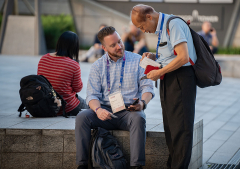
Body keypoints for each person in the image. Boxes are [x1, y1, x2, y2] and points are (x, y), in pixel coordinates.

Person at [75, 26, 154, 169]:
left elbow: (147, 87)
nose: (119, 46)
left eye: (119, 41)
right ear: (104, 48)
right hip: (104, 112)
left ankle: (137, 166)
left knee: (139, 118)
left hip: (129, 111)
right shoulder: (97, 66)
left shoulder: (137, 60)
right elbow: (92, 95)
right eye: (113, 45)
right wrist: (98, 110)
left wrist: (142, 103)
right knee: (82, 117)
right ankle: (82, 165)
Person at [131, 4, 197, 169]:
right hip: (170, 79)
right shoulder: (162, 28)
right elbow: (172, 54)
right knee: (171, 128)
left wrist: (160, 72)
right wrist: (155, 56)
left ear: (149, 17)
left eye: (142, 26)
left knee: (180, 129)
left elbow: (183, 57)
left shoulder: (172, 24)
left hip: (181, 80)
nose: (143, 30)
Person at [37, 31, 89, 116]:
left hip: (47, 104)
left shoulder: (43, 59)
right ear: (74, 47)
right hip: (67, 106)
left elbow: (41, 82)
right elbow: (78, 88)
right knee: (92, 106)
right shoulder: (73, 64)